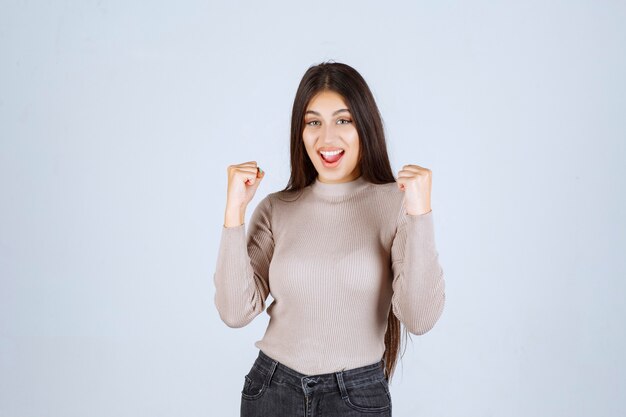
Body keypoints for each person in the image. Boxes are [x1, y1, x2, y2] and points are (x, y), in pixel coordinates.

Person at [213, 61, 446, 417]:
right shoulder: (277, 208)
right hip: (272, 391)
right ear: (300, 131)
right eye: (313, 122)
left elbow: (419, 317)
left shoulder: (395, 204)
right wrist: (234, 213)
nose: (327, 139)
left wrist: (420, 214)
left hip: (355, 397)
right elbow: (234, 312)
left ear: (364, 125)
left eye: (343, 120)